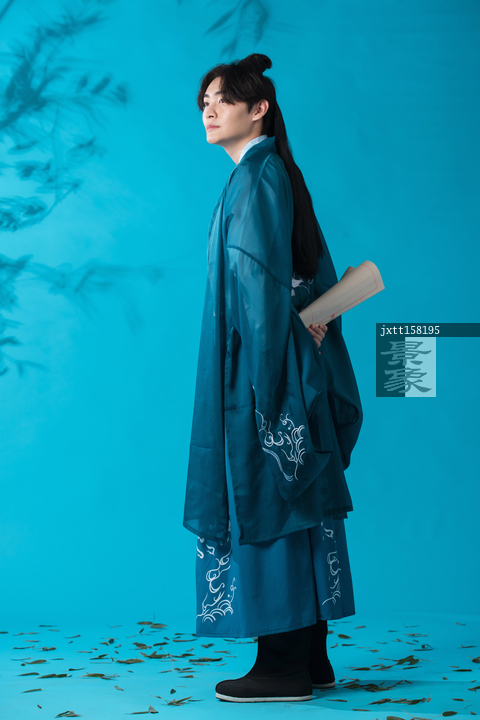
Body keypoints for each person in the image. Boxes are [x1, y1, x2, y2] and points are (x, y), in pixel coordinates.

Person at [183, 53, 363, 703]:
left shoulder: (257, 178)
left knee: (268, 496)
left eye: (223, 100)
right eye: (204, 101)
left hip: (262, 372)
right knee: (296, 498)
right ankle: (311, 658)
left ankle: (282, 664)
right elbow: (299, 279)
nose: (209, 110)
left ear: (258, 109)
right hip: (282, 359)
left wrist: (274, 368)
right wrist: (301, 327)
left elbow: (260, 291)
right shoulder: (273, 174)